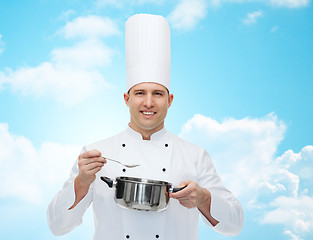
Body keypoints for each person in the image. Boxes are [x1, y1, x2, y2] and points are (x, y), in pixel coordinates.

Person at [47, 14, 244, 240]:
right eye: (140, 93)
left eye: (157, 94)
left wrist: (204, 199)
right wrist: (80, 183)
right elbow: (57, 227)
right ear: (126, 98)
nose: (149, 102)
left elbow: (235, 225)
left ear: (169, 100)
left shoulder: (195, 156)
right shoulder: (95, 155)